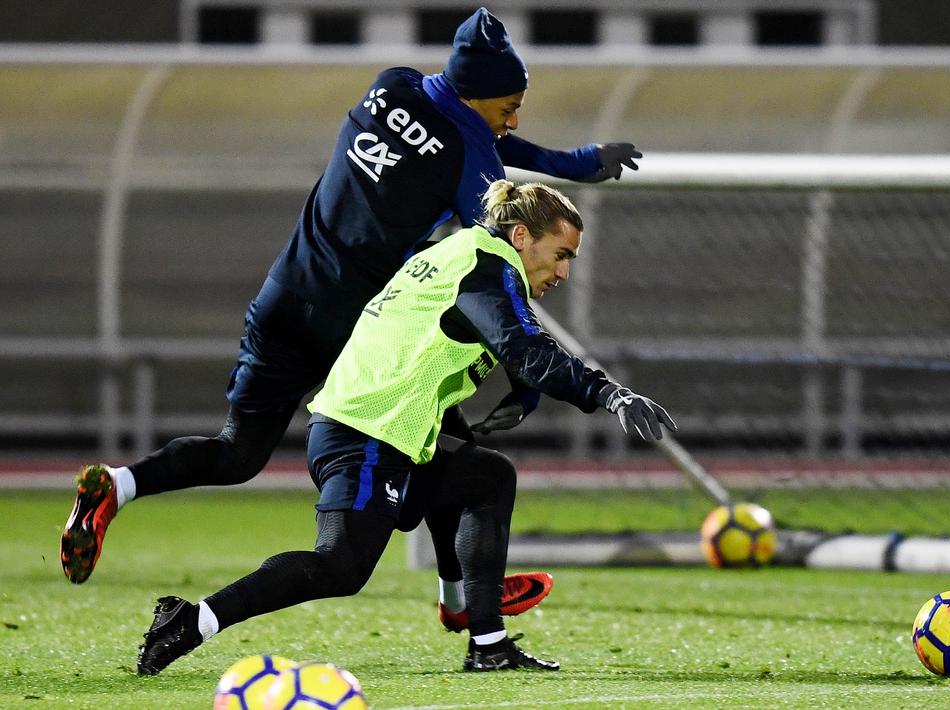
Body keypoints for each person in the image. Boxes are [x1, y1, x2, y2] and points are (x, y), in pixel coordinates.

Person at [60, 6, 642, 628]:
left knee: (238, 452)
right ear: (478, 99)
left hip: (285, 293)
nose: (515, 120)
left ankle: (118, 487)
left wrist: (574, 161)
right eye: (508, 107)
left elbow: (476, 134)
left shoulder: (392, 84)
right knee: (450, 451)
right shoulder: (471, 159)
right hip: (354, 326)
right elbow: (502, 259)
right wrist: (528, 379)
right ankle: (464, 601)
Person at [136, 179, 676, 675]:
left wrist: (523, 391)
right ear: (520, 236)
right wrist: (610, 392)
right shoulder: (487, 265)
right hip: (367, 433)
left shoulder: (456, 251)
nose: (563, 273)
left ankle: (485, 639)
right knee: (340, 567)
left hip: (383, 428)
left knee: (484, 477)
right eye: (561, 255)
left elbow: (452, 341)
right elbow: (523, 345)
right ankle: (191, 620)